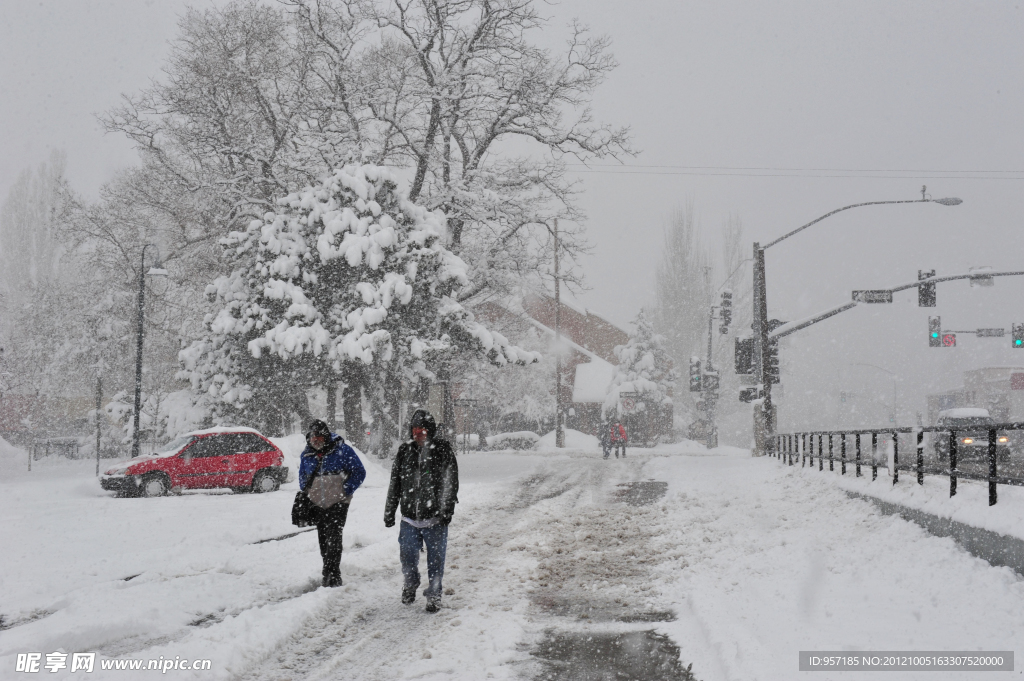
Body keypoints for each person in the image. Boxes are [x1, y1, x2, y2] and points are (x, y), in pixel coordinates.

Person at [384, 409, 459, 613]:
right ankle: (411, 582)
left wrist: (446, 510)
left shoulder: (442, 451)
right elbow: (395, 484)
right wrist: (389, 510)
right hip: (409, 518)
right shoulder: (404, 451)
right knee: (407, 556)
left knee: (436, 561)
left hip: (435, 519)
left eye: (423, 430)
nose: (418, 433)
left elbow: (450, 483)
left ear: (431, 431)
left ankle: (434, 594)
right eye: (415, 429)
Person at [299, 419, 366, 588]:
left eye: (319, 436)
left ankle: (332, 574)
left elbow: (359, 471)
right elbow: (302, 477)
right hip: (318, 503)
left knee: (334, 536)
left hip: (339, 503)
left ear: (326, 436)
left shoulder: (342, 450)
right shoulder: (306, 455)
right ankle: (328, 568)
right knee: (323, 537)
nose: (316, 440)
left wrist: (345, 489)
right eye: (313, 437)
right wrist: (308, 491)